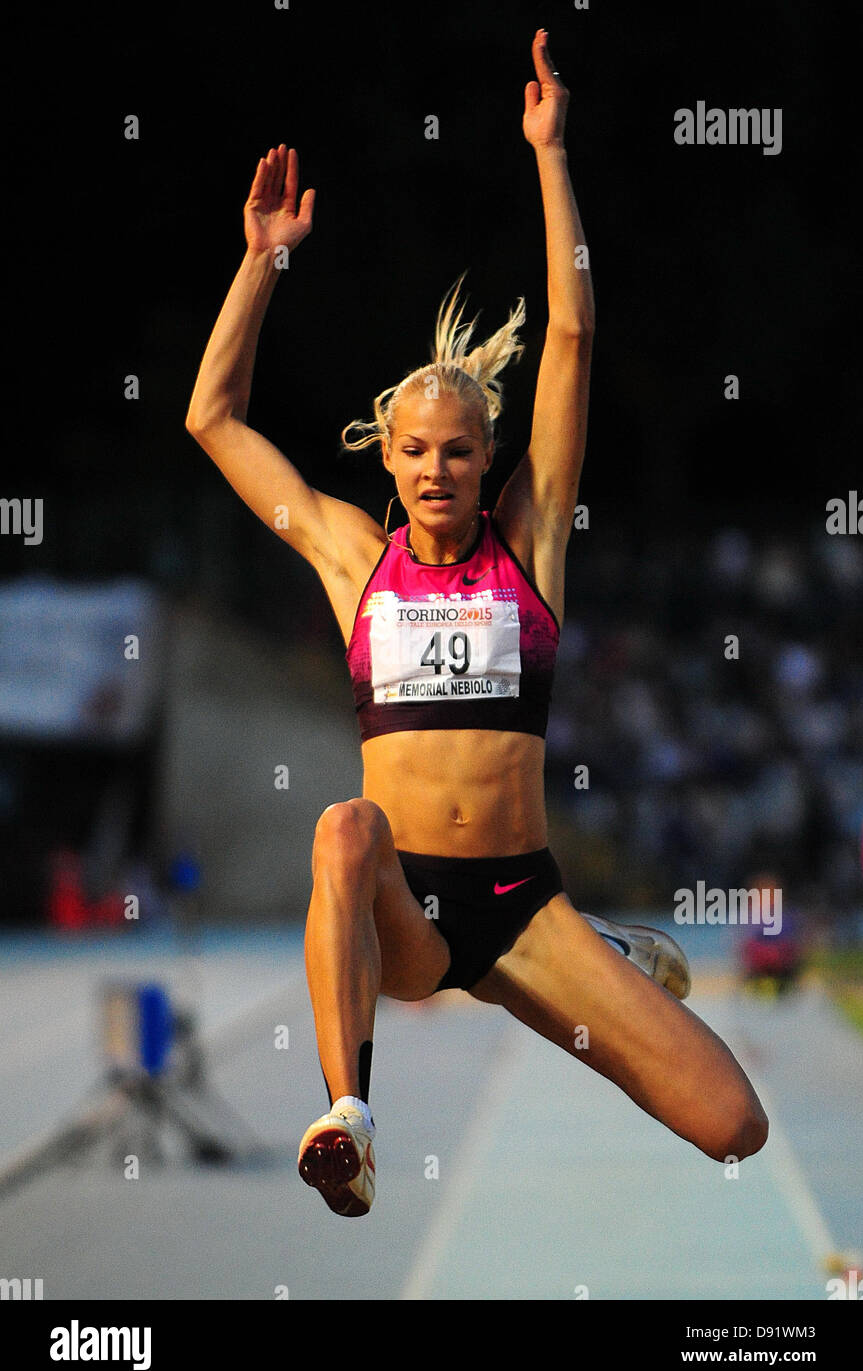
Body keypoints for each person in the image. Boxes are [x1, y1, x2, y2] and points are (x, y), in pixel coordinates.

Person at [186, 29, 768, 1218]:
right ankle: (348, 1115)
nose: (439, 470)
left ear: (486, 457)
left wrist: (549, 154)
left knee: (734, 1126)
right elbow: (210, 418)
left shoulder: (529, 544)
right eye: (416, 453)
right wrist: (258, 264)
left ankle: (585, 949)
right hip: (407, 914)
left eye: (460, 451)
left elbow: (569, 336)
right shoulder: (357, 559)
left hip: (522, 900)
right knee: (345, 828)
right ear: (389, 465)